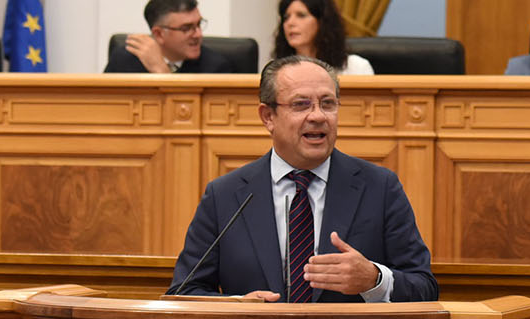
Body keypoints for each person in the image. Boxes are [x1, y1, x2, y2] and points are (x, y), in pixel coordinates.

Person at [169, 55, 437, 302]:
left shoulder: (379, 187)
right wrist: (237, 306)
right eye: (301, 105)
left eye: (328, 104)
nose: (318, 116)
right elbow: (183, 293)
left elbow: (424, 287)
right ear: (268, 116)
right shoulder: (225, 195)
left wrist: (374, 279)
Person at [104, 0, 232, 73]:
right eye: (186, 28)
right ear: (159, 34)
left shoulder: (216, 69)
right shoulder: (124, 60)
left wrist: (162, 72)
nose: (198, 34)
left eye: (198, 24)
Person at [273, 0, 373, 75]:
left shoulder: (356, 67)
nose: (290, 23)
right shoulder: (275, 70)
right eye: (286, 17)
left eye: (301, 15)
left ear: (322, 22)